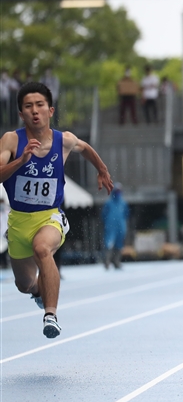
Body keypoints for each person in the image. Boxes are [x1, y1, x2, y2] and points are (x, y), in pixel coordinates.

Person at [0, 82, 114, 338]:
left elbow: (85, 148)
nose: (35, 111)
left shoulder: (64, 141)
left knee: (42, 249)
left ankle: (50, 315)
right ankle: (39, 293)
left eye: (40, 105)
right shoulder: (10, 140)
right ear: (21, 114)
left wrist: (102, 170)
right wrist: (21, 161)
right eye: (28, 106)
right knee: (24, 284)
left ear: (50, 110)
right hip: (18, 221)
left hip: (50, 216)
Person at [101, 183, 129, 270]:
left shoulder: (123, 203)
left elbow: (126, 214)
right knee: (109, 244)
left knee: (119, 244)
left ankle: (117, 262)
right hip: (111, 227)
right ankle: (107, 262)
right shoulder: (109, 203)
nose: (118, 193)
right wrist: (106, 223)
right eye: (117, 191)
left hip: (120, 227)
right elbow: (104, 214)